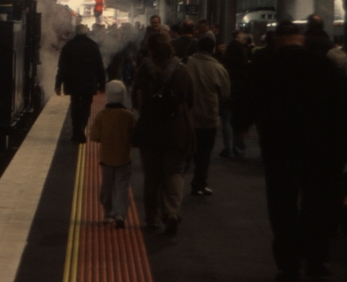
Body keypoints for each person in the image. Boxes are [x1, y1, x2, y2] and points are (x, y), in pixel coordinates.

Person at [235, 20, 347, 282]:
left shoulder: (265, 64)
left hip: (279, 148)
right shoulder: (323, 64)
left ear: (277, 39)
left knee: (282, 204)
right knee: (317, 203)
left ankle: (289, 263)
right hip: (321, 149)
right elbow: (341, 105)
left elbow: (245, 97)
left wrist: (241, 125)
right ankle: (316, 259)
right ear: (301, 38)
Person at [132, 32, 196, 235]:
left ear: (149, 49)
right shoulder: (182, 69)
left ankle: (152, 218)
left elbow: (135, 99)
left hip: (150, 130)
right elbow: (190, 99)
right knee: (174, 173)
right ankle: (171, 213)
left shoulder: (144, 69)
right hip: (176, 130)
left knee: (152, 175)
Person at [185, 35, 230, 194]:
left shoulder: (187, 63)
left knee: (185, 151)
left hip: (187, 115)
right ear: (213, 49)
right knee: (204, 153)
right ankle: (199, 184)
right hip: (208, 117)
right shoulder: (218, 69)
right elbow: (225, 93)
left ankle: (173, 182)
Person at [89, 78, 136, 229]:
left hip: (106, 159)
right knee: (122, 187)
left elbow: (94, 136)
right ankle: (120, 213)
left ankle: (108, 213)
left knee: (107, 187)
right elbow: (135, 138)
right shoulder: (129, 116)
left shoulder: (102, 115)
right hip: (124, 159)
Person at [55, 24, 106, 143]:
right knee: (86, 106)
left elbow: (62, 67)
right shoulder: (93, 46)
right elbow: (99, 66)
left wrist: (58, 84)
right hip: (89, 81)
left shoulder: (69, 46)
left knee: (75, 105)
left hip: (73, 82)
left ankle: (76, 131)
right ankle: (81, 128)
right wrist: (102, 84)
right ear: (86, 32)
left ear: (76, 33)